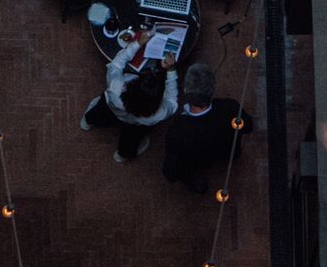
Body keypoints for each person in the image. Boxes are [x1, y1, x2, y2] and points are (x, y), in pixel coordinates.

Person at [81, 24, 179, 161]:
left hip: (113, 106)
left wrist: (137, 43)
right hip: (138, 124)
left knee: (99, 111)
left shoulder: (116, 88)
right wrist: (170, 71)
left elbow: (116, 65)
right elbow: (172, 101)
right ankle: (121, 155)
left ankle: (88, 121)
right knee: (131, 139)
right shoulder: (159, 113)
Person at [161, 64, 237, 191]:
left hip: (194, 161)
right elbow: (248, 126)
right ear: (212, 90)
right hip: (223, 151)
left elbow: (171, 168)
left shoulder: (177, 132)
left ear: (185, 90)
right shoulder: (230, 108)